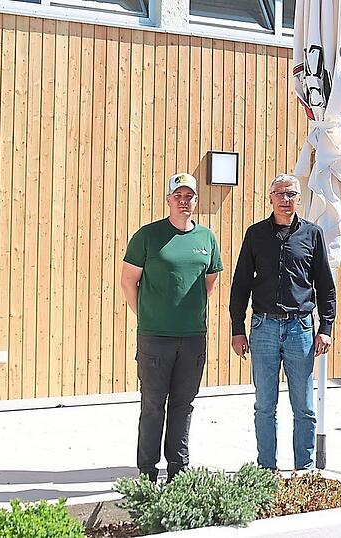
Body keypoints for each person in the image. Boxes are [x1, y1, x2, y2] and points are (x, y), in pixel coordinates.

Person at [229, 174, 336, 471]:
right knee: (265, 404)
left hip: (300, 328)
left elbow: (326, 286)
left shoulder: (312, 234)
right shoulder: (255, 234)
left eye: (291, 194)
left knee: (303, 405)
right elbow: (240, 285)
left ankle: (304, 469)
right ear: (270, 198)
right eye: (280, 194)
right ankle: (266, 469)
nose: (285, 200)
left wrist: (325, 328)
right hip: (263, 327)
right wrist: (238, 329)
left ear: (298, 199)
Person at [121, 172, 223, 482]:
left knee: (183, 404)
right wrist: (149, 315)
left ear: (196, 201)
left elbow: (209, 281)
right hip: (154, 338)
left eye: (189, 196)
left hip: (192, 339)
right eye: (177, 196)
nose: (183, 201)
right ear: (168, 200)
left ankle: (178, 469)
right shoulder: (148, 236)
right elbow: (128, 281)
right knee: (153, 404)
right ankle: (147, 472)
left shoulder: (206, 238)